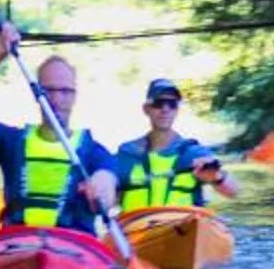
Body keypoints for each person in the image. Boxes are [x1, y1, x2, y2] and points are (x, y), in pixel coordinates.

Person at [0, 23, 109, 229]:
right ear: (37, 94)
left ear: (74, 96)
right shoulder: (11, 142)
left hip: (72, 246)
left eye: (65, 91)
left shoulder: (95, 153)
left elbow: (107, 182)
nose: (56, 99)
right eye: (49, 90)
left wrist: (102, 188)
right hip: (17, 243)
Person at [85, 78, 238, 216]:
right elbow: (107, 200)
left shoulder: (193, 153)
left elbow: (233, 191)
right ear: (146, 109)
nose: (165, 109)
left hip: (183, 230)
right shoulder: (127, 154)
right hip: (136, 230)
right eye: (159, 104)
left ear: (177, 110)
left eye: (172, 104)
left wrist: (216, 177)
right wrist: (98, 191)